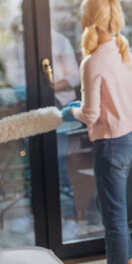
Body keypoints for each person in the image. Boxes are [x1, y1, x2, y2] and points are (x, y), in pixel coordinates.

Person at [62, 0, 132, 264]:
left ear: (86, 21)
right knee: (118, 210)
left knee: (112, 215)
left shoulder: (92, 62)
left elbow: (91, 114)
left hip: (111, 145)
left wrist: (73, 111)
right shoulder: (124, 53)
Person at [51, 31, 81, 239]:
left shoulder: (60, 40)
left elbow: (74, 77)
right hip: (33, 105)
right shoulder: (19, 42)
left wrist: (48, 86)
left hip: (60, 107)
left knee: (61, 166)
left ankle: (70, 220)